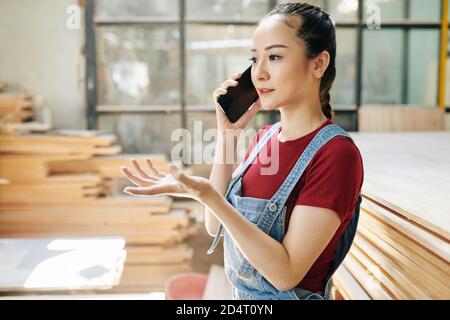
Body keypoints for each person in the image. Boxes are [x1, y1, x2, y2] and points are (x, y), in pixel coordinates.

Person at [120, 2, 364, 300]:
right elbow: (215, 226)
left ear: (318, 63)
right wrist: (227, 136)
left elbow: (286, 274)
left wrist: (208, 195)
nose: (259, 73)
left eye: (274, 57)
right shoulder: (264, 138)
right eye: (254, 58)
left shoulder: (336, 155)